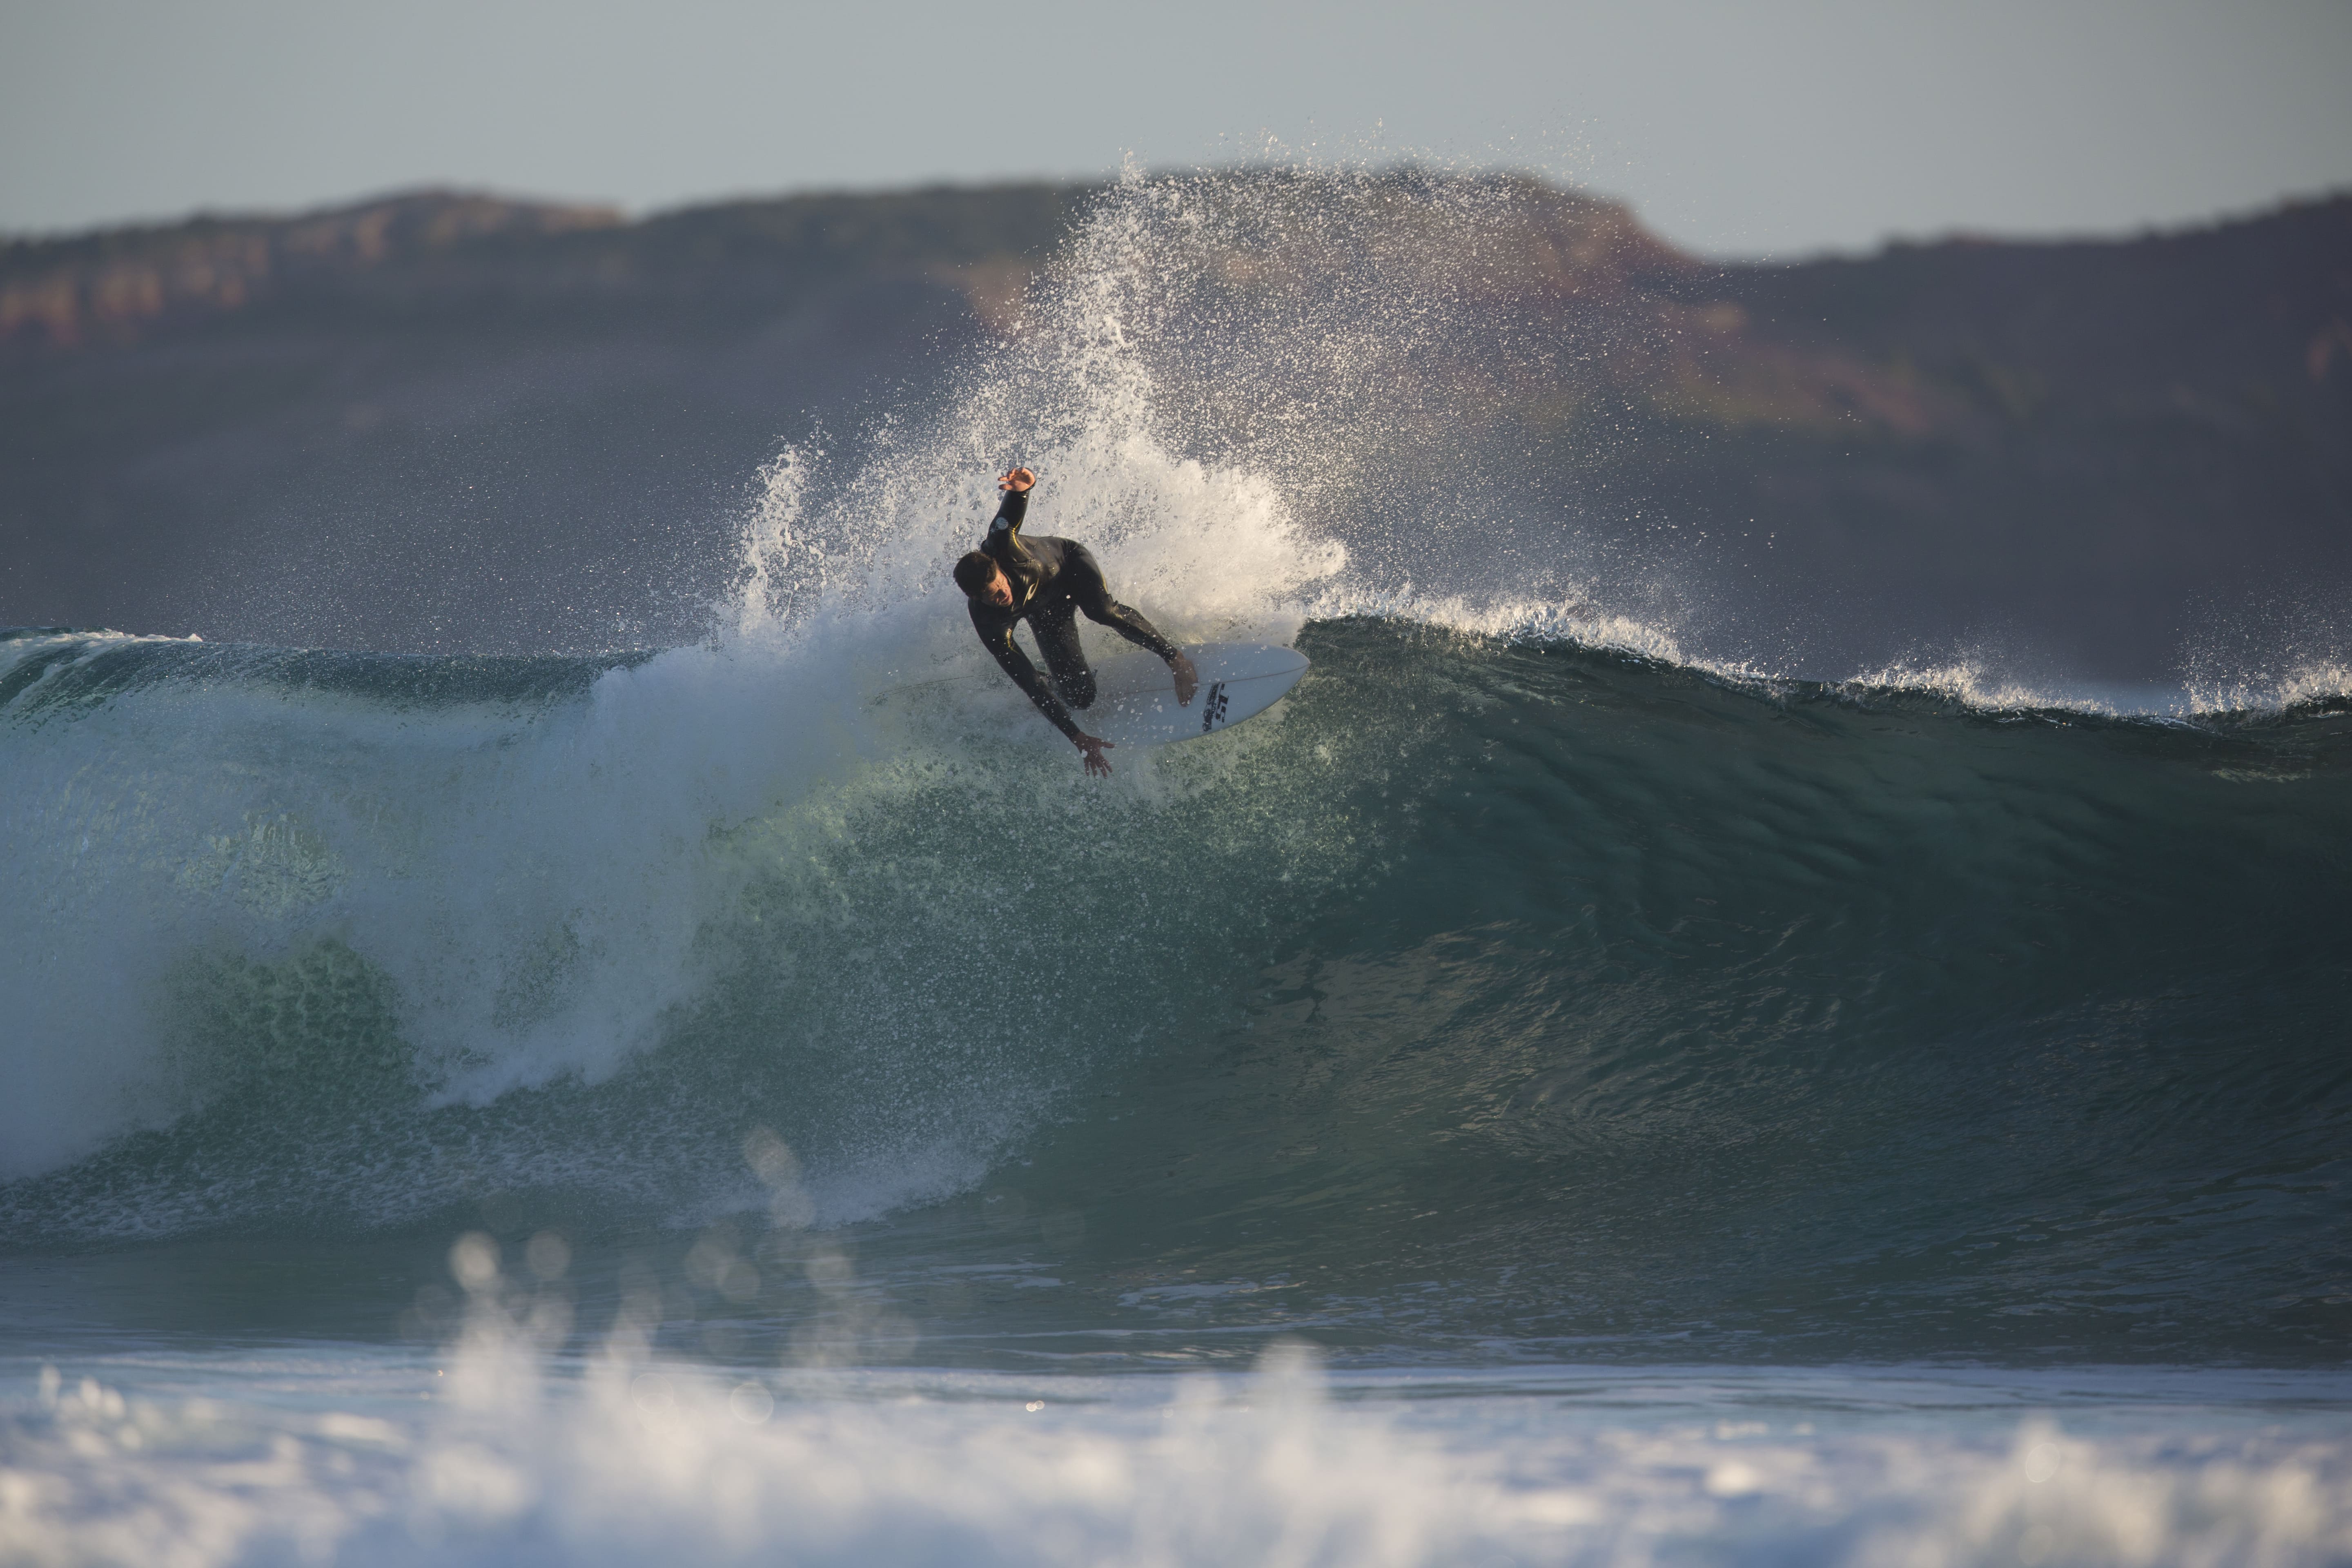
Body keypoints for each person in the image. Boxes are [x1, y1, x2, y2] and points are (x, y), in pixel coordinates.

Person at [951, 467, 1197, 777]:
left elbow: (1009, 513)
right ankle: (1054, 679)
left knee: (1102, 612)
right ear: (976, 598)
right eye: (993, 596)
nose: (1002, 596)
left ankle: (1175, 658)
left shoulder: (1001, 545)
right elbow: (1027, 682)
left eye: (1001, 586)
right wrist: (1077, 737)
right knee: (1080, 697)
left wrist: (1022, 488)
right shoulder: (989, 622)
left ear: (998, 568)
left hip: (1070, 566)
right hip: (1047, 610)